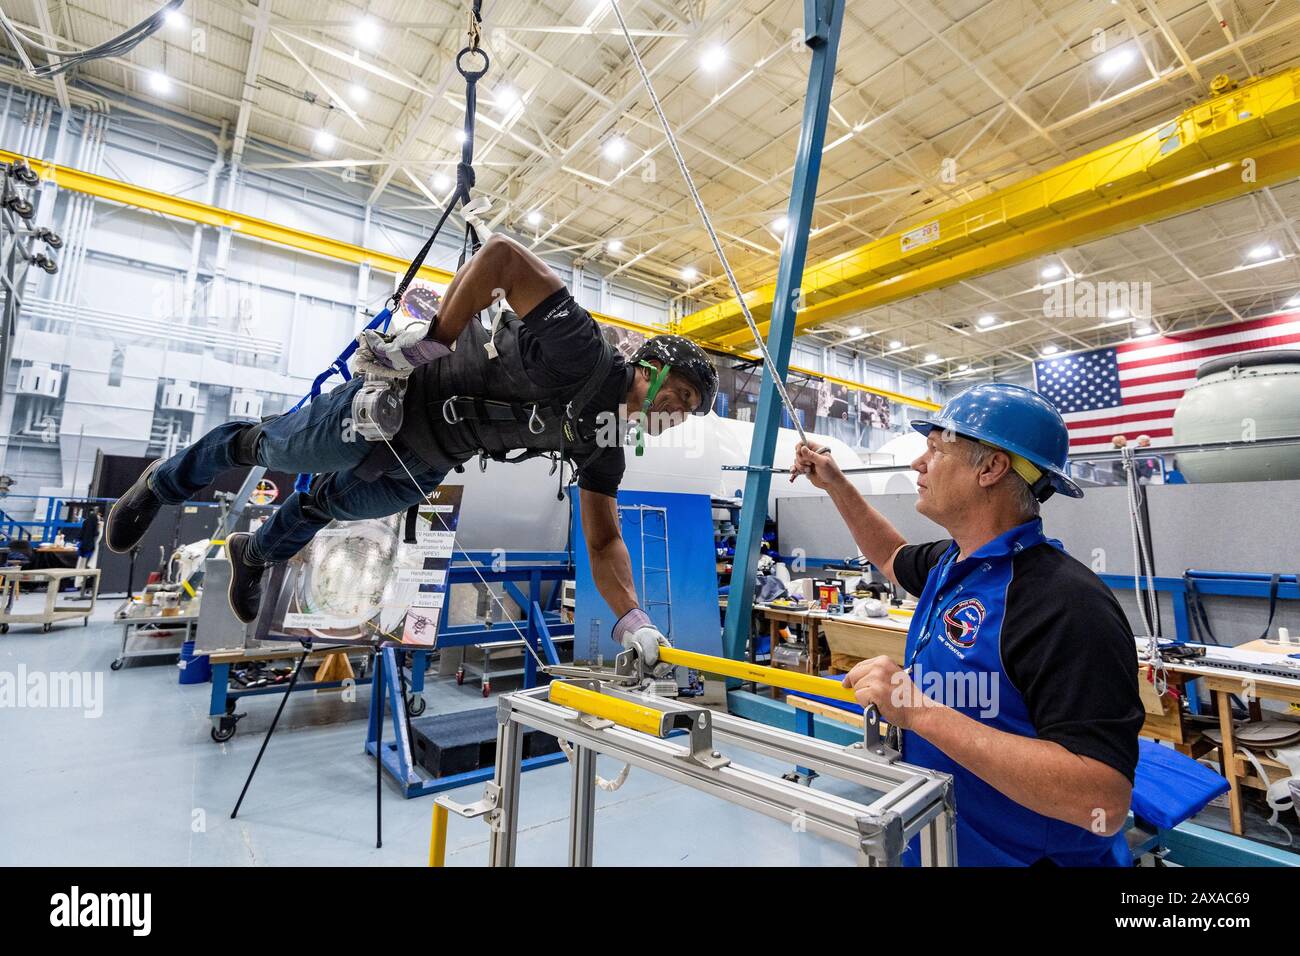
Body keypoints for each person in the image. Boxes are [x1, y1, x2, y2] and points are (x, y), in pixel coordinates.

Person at [106, 235, 718, 664]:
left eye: (688, 412)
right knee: (273, 448)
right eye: (682, 394)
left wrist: (632, 620)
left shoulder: (606, 443)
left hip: (429, 457)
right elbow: (501, 257)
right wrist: (435, 342)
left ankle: (255, 552)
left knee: (329, 506)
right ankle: (162, 484)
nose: (678, 412)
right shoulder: (582, 348)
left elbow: (604, 540)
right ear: (653, 366)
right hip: (395, 401)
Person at [791, 383, 1144, 866]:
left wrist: (916, 710)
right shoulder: (953, 565)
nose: (918, 463)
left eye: (935, 449)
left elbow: (1100, 798)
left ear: (992, 468)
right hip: (941, 846)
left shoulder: (1063, 603)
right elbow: (892, 557)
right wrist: (836, 483)